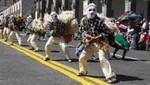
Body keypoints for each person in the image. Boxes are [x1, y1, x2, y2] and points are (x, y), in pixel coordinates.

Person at [76, 3, 117, 83]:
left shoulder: (99, 21)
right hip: (90, 43)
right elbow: (81, 30)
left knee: (102, 59)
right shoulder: (84, 20)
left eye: (94, 10)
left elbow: (107, 31)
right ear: (86, 11)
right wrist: (85, 34)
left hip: (101, 42)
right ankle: (83, 71)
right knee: (82, 58)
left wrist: (99, 36)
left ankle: (111, 76)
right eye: (90, 10)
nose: (92, 12)